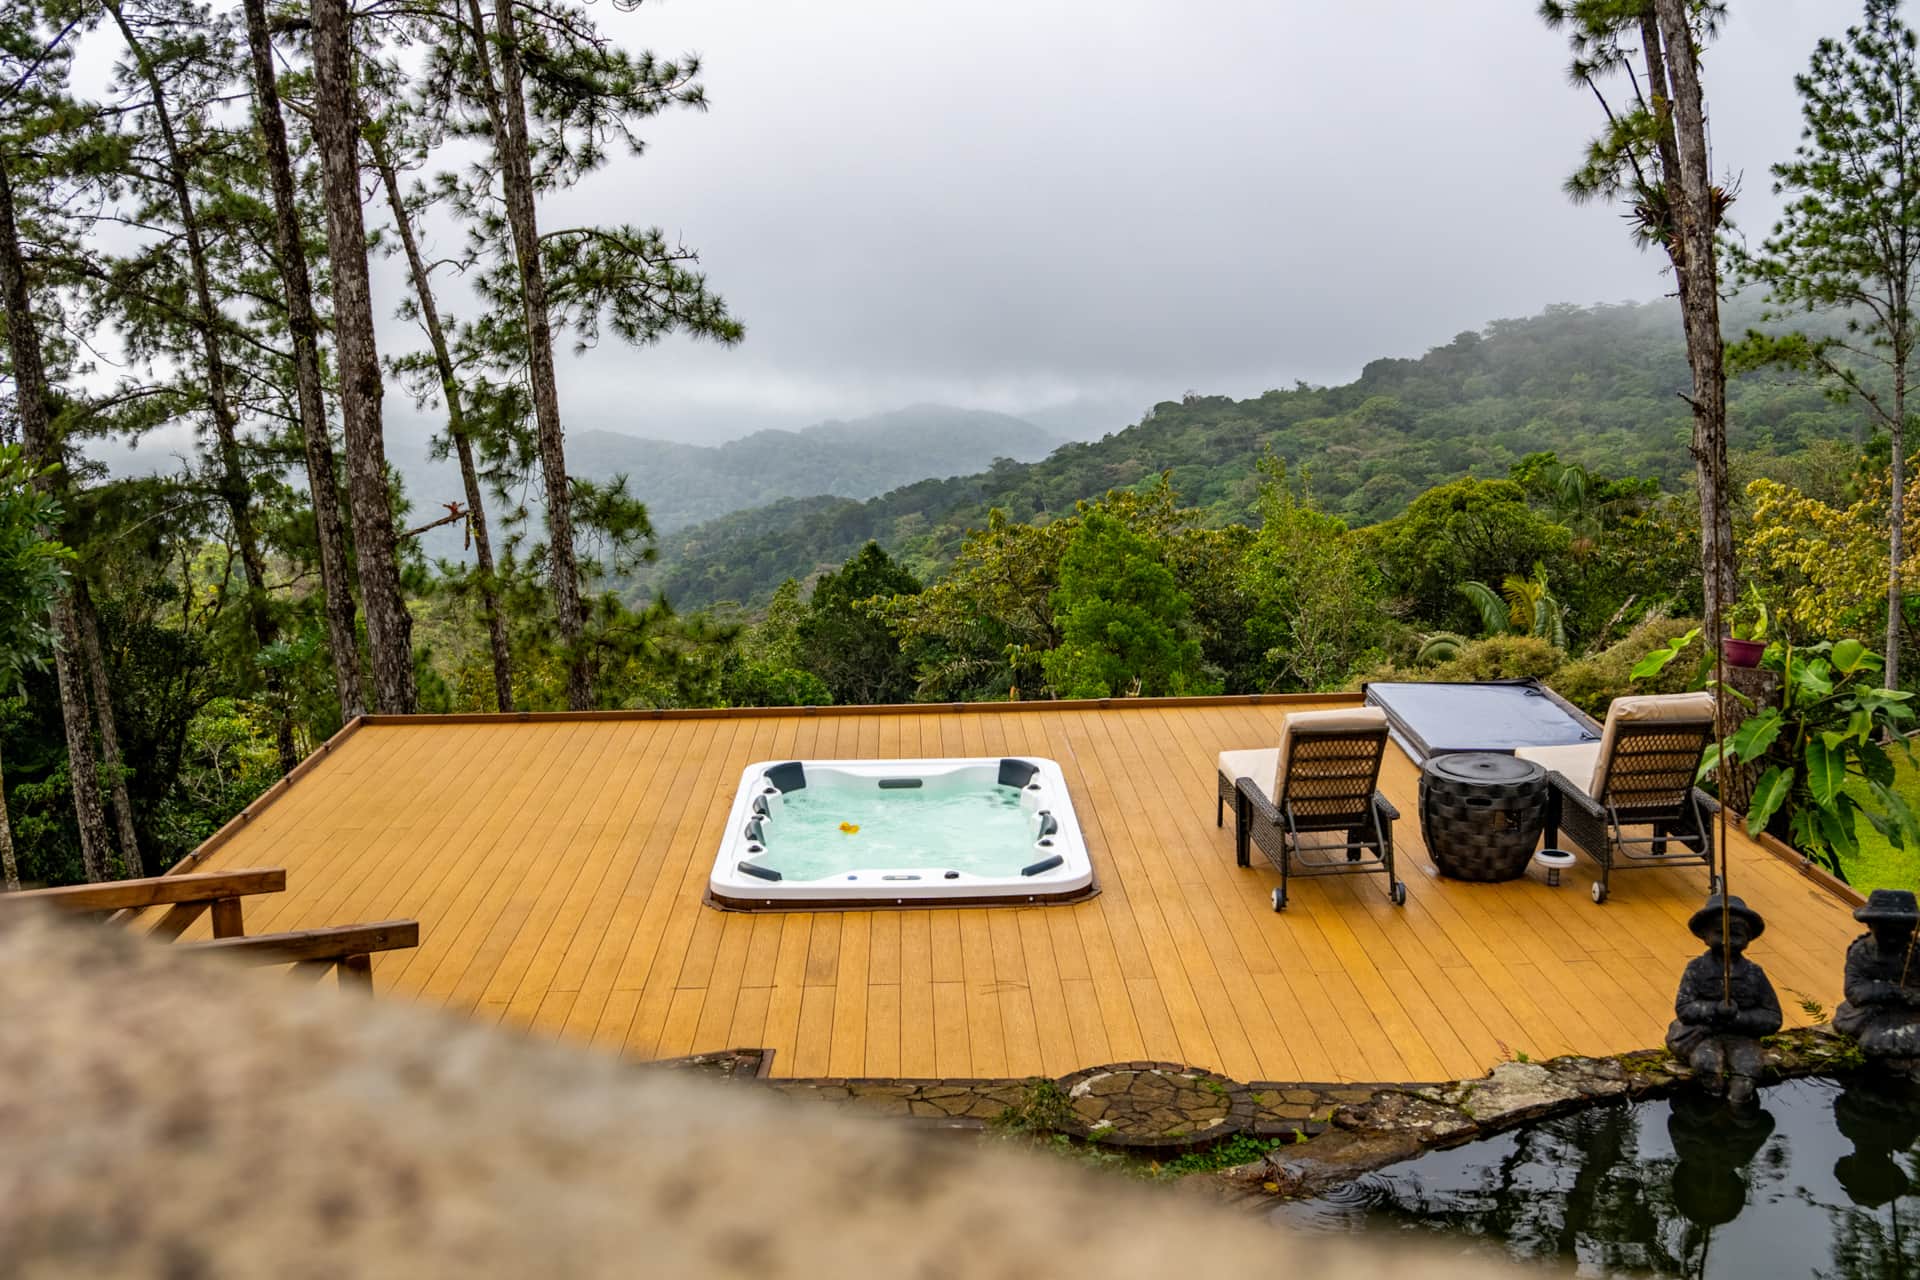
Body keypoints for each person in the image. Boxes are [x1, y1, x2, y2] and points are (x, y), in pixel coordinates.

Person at [1666, 895, 1782, 1106]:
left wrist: (1740, 1016)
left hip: (1741, 1038)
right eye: (1720, 933)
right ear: (1705, 936)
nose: (1728, 940)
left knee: (1748, 1073)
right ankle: (1710, 1112)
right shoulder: (1697, 969)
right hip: (1703, 1036)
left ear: (1747, 939)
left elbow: (1773, 1018)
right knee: (1707, 1065)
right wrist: (1714, 1009)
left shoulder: (1753, 974)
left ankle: (1738, 1119)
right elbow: (1684, 1008)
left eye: (1736, 934)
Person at [1833, 889, 1920, 1066]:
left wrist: (1909, 995)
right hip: (1869, 1012)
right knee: (1873, 1041)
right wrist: (1889, 990)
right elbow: (1854, 991)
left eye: (1901, 933)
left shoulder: (1915, 954)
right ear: (1870, 926)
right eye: (1886, 932)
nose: (1893, 940)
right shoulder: (1861, 952)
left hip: (1907, 1014)